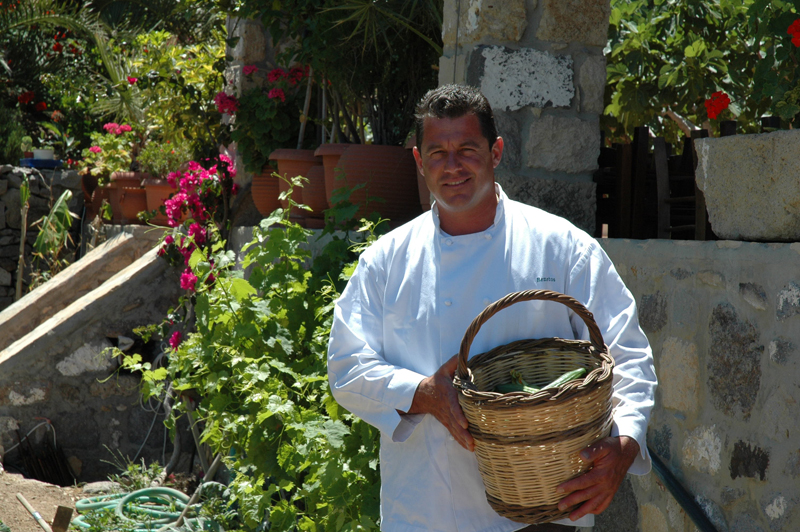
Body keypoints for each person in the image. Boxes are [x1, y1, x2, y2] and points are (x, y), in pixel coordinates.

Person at [327, 84, 657, 532]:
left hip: (546, 513)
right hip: (426, 510)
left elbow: (626, 353)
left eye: (467, 149)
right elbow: (346, 365)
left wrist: (625, 444)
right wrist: (421, 392)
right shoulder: (386, 261)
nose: (453, 165)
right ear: (419, 161)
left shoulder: (561, 247)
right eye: (437, 153)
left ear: (496, 152)